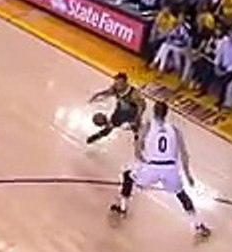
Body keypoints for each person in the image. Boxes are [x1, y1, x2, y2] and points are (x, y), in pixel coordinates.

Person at [110, 101, 211, 240]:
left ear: (154, 112)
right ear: (166, 113)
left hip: (152, 167)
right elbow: (184, 154)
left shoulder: (148, 126)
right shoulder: (175, 130)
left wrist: (140, 159)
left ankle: (122, 207)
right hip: (170, 168)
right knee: (182, 195)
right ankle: (198, 225)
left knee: (128, 175)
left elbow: (138, 147)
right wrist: (188, 175)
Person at [87, 72, 146, 144]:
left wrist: (138, 117)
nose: (115, 84)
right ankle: (99, 135)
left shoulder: (133, 94)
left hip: (131, 111)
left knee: (132, 124)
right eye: (115, 82)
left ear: (124, 83)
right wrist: (97, 95)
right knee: (112, 123)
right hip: (121, 109)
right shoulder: (116, 88)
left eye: (118, 83)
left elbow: (142, 105)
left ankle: (137, 134)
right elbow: (108, 92)